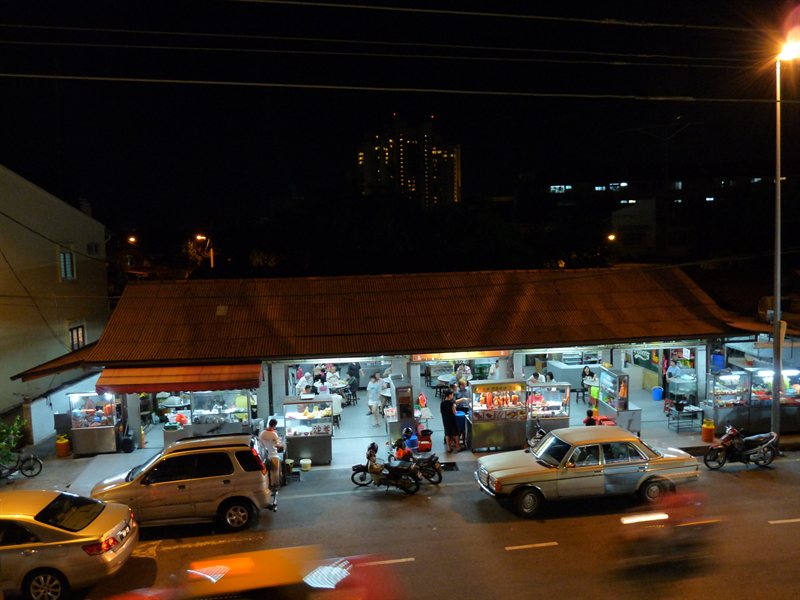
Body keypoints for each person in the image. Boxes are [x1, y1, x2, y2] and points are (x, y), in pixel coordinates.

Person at [259, 418, 283, 496]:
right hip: (273, 455)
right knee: (275, 472)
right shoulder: (274, 434)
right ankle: (275, 487)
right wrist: (281, 445)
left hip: (264, 456)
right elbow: (277, 445)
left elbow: (260, 443)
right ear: (274, 425)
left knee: (267, 472)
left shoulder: (262, 433)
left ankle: (268, 487)